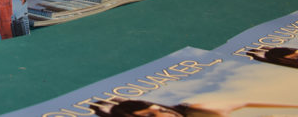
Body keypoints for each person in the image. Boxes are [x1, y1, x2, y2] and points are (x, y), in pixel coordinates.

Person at [93, 98, 298, 117]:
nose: (165, 114)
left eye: (160, 109)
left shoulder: (204, 111)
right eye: (149, 116)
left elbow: (245, 101)